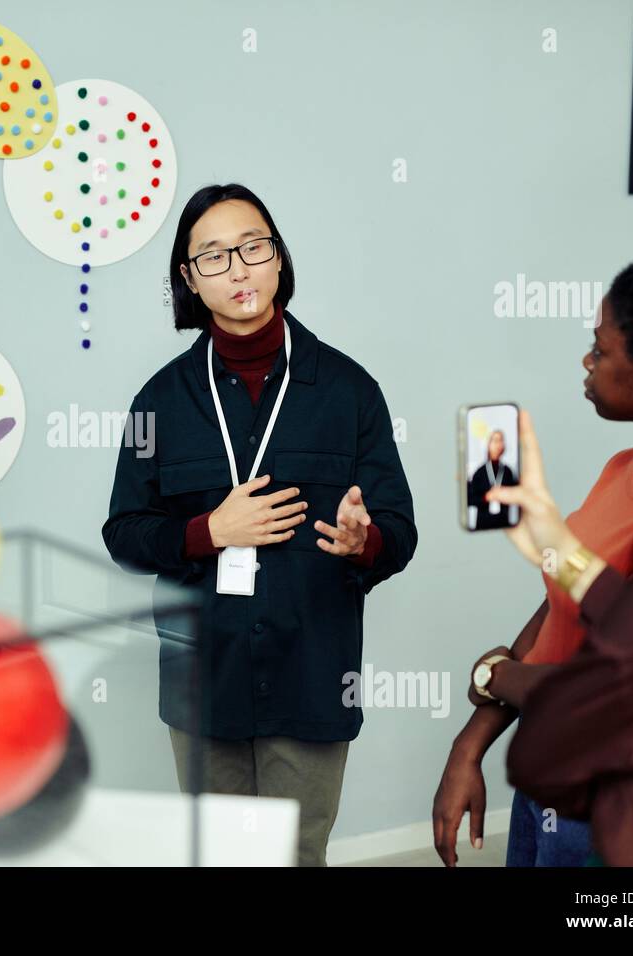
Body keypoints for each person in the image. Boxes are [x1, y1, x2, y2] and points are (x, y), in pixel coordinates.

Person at [102, 183, 416, 866]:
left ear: (279, 260)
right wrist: (207, 532)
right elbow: (124, 531)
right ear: (187, 279)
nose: (238, 267)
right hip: (203, 680)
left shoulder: (349, 389)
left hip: (311, 673)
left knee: (296, 854)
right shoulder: (158, 401)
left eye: (253, 247)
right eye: (212, 256)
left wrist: (368, 543)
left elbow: (400, 528)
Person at [433, 249, 633, 867]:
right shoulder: (626, 470)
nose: (588, 360)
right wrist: (469, 746)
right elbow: (562, 606)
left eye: (601, 350)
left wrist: (493, 676)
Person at [467, 430, 517, 530]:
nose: (498, 444)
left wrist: (505, 495)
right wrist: (486, 497)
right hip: (483, 525)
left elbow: (517, 496)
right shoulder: (479, 472)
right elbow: (470, 499)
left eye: (501, 440)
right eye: (495, 440)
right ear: (488, 444)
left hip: (503, 525)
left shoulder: (508, 471)